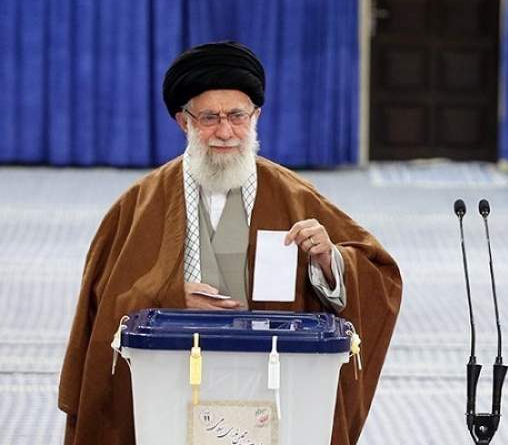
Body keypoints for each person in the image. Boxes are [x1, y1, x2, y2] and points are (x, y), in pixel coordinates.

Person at [58, 41, 402, 445]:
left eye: (237, 116)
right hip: (169, 384)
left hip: (273, 383)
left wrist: (329, 262)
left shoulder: (294, 196)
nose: (225, 132)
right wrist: (170, 295)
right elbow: (102, 311)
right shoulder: (138, 204)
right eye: (209, 118)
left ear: (256, 116)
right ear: (183, 121)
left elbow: (379, 275)